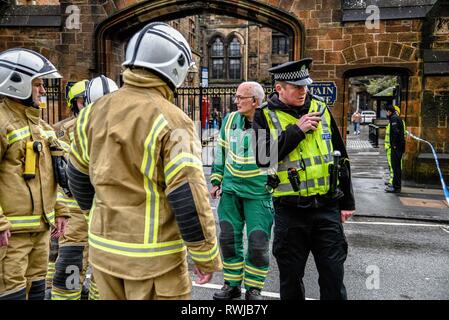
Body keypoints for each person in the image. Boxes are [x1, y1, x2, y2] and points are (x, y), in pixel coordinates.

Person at [67, 22, 222, 300]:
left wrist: (100, 216)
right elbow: (188, 195)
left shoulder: (92, 113)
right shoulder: (173, 120)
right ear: (175, 67)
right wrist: (205, 255)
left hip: (103, 253)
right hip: (153, 263)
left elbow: (77, 176)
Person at [252, 58, 356, 300]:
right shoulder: (264, 116)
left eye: (305, 85)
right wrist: (297, 130)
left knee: (333, 278)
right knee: (290, 279)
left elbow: (341, 156)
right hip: (290, 212)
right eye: (297, 87)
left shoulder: (321, 109)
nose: (303, 91)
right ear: (280, 88)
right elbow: (263, 158)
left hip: (327, 207)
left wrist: (347, 202)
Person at [0, 48, 69, 300]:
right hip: (10, 236)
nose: (42, 90)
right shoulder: (2, 122)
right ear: (16, 83)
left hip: (41, 231)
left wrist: (60, 210)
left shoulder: (42, 128)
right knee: (11, 293)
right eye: (37, 84)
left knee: (37, 291)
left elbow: (49, 175)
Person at [50, 76, 118, 300]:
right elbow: (65, 174)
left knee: (105, 271)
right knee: (71, 265)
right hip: (77, 211)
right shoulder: (64, 131)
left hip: (104, 211)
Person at [210, 81, 274, 301]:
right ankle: (232, 284)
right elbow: (221, 151)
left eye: (240, 97)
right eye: (236, 97)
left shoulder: (269, 121)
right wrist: (217, 180)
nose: (235, 101)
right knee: (228, 239)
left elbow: (279, 156)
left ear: (255, 101)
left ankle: (254, 288)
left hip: (259, 193)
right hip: (230, 191)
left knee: (257, 242)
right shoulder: (229, 121)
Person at [384, 105, 405, 193]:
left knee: (395, 167)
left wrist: (394, 145)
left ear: (390, 111)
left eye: (387, 111)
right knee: (396, 167)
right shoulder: (396, 118)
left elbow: (396, 132)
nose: (386, 113)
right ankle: (396, 186)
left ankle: (396, 187)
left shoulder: (394, 119)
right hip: (399, 147)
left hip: (396, 148)